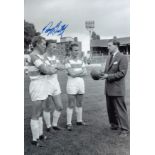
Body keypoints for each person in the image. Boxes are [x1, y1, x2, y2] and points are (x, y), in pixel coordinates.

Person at [28, 36, 58, 147]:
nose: (45, 46)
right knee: (35, 114)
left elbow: (49, 69)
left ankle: (40, 135)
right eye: (44, 44)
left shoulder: (41, 56)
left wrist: (49, 70)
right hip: (36, 85)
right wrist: (49, 70)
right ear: (37, 44)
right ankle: (34, 140)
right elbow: (47, 70)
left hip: (43, 83)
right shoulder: (33, 55)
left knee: (40, 113)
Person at [100, 39, 129, 137]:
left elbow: (122, 73)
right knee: (110, 109)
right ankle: (114, 124)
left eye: (109, 45)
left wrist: (108, 76)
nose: (107, 47)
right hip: (108, 88)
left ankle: (125, 129)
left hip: (117, 88)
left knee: (120, 109)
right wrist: (101, 73)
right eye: (107, 46)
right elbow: (106, 71)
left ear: (116, 46)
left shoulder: (122, 57)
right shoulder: (108, 58)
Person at [65, 43, 88, 131]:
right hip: (71, 83)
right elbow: (72, 74)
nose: (77, 52)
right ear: (71, 51)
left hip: (80, 83)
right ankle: (69, 123)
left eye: (78, 50)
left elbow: (85, 73)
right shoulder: (67, 60)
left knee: (80, 103)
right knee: (71, 104)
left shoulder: (81, 60)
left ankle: (79, 121)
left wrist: (76, 73)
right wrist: (80, 71)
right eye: (75, 50)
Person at [43, 41, 64, 131]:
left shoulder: (55, 58)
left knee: (59, 107)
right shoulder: (43, 57)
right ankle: (48, 126)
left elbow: (62, 67)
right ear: (47, 47)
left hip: (55, 84)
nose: (54, 49)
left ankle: (55, 125)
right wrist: (56, 67)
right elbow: (48, 70)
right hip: (46, 84)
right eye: (53, 47)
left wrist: (54, 67)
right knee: (48, 107)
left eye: (55, 47)